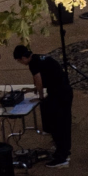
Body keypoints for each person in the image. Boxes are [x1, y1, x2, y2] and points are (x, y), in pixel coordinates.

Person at [13, 40, 72, 168]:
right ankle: (63, 151)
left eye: (19, 60)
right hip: (64, 91)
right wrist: (33, 90)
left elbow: (38, 80)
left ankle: (62, 157)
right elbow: (48, 77)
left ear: (23, 57)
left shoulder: (33, 63)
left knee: (58, 125)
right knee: (64, 123)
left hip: (59, 94)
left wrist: (40, 97)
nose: (20, 63)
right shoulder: (40, 58)